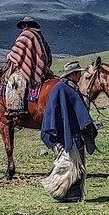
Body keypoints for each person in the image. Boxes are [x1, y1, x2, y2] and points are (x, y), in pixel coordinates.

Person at [41, 61, 98, 202]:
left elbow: (76, 110)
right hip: (66, 133)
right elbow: (55, 113)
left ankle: (71, 194)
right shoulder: (61, 89)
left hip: (74, 132)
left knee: (77, 164)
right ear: (71, 75)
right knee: (70, 164)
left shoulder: (69, 88)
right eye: (78, 73)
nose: (80, 76)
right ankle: (64, 193)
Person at [4, 16, 52, 119]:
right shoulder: (40, 36)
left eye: (23, 26)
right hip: (41, 69)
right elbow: (47, 53)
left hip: (29, 70)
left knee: (14, 80)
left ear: (25, 25)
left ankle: (16, 109)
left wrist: (9, 56)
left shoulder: (26, 35)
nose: (22, 28)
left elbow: (17, 53)